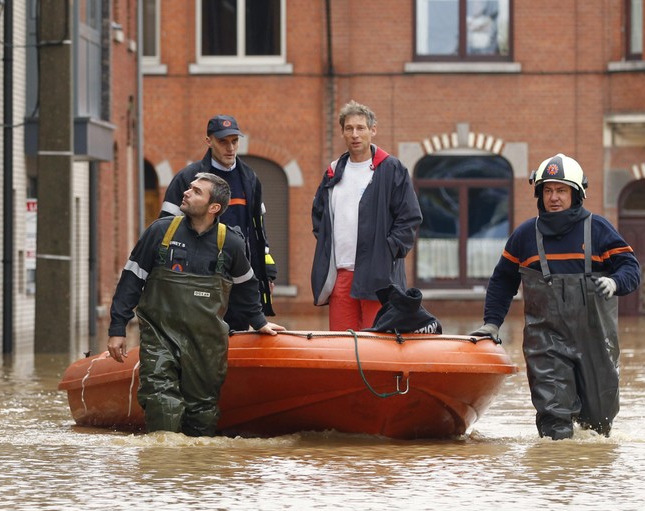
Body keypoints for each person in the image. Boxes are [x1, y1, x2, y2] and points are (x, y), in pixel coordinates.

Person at [471, 154, 640, 440]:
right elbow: (502, 281)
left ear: (576, 194)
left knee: (598, 425)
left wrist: (614, 282)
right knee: (553, 421)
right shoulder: (525, 235)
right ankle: (554, 474)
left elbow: (631, 268)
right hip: (546, 341)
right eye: (548, 190)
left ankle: (587, 480)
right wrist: (491, 323)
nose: (554, 197)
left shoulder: (598, 229)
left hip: (596, 339)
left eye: (561, 190)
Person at [108, 172, 285, 437]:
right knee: (162, 401)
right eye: (189, 187)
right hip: (160, 335)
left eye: (196, 191)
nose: (186, 192)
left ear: (214, 208)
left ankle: (196, 473)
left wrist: (259, 322)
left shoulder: (231, 243)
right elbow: (132, 280)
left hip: (206, 344)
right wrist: (117, 327)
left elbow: (247, 287)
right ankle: (163, 471)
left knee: (202, 414)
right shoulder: (160, 231)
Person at [311, 100, 423, 331]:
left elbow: (409, 218)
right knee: (342, 346)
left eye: (360, 128)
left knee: (377, 344)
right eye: (349, 128)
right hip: (340, 274)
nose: (355, 134)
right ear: (342, 132)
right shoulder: (333, 172)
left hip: (379, 276)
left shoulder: (392, 169)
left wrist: (387, 250)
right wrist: (327, 246)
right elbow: (319, 217)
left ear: (373, 130)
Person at [160, 114, 276, 331]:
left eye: (234, 141)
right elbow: (165, 230)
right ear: (209, 141)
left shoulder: (249, 179)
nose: (230, 148)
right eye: (223, 141)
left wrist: (266, 271)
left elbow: (258, 230)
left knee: (238, 342)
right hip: (198, 279)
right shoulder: (188, 178)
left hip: (239, 277)